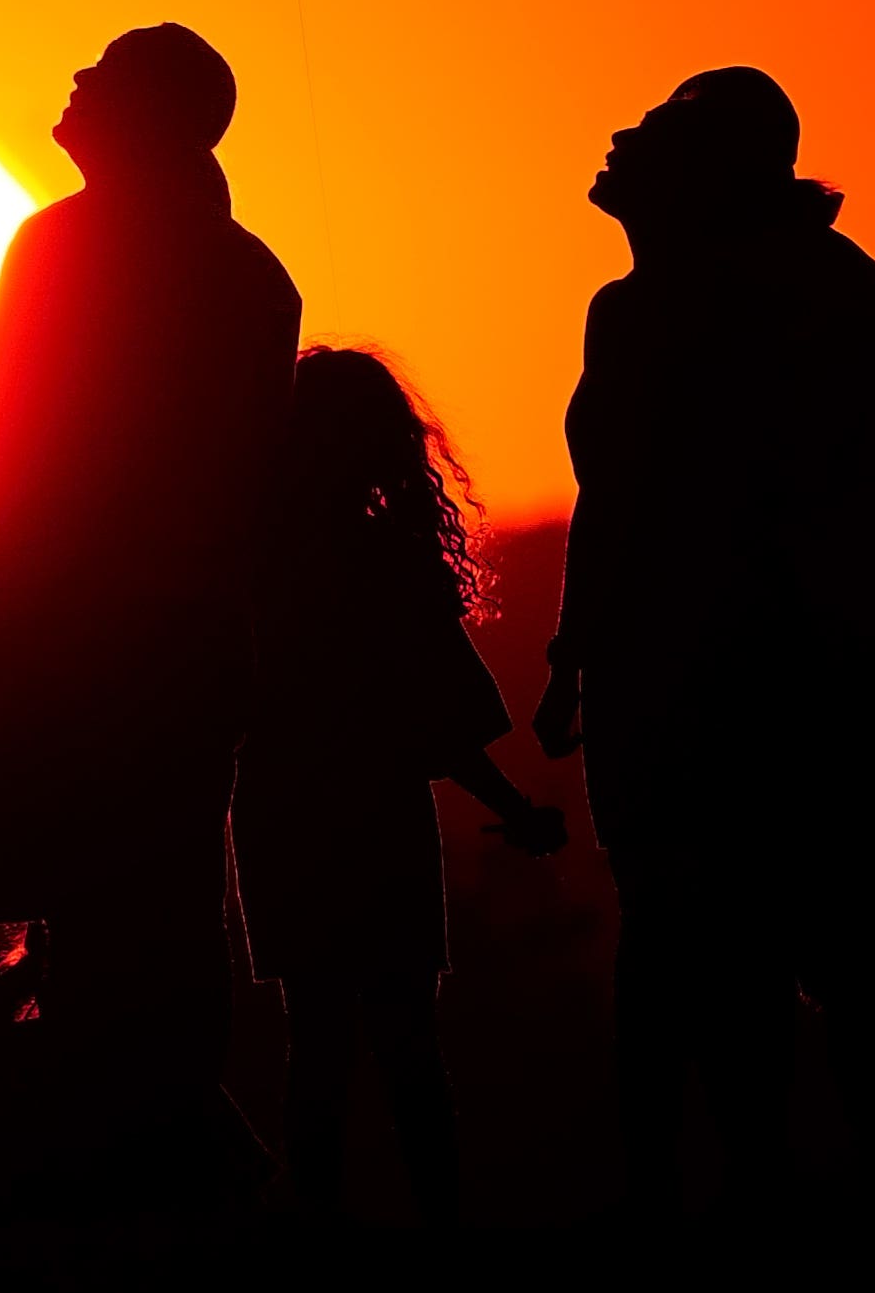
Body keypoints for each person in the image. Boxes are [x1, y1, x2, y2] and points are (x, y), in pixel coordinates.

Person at [0, 24, 298, 1166]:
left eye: (104, 76)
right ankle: (150, 1130)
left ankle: (125, 1140)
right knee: (161, 886)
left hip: (79, 627)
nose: (73, 82)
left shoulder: (62, 247)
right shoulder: (249, 272)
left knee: (89, 886)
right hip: (175, 634)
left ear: (151, 115)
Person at [530, 66, 875, 1219]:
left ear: (714, 171)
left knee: (800, 945)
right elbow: (609, 499)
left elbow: (869, 487)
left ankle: (799, 1191)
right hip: (672, 675)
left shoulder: (813, 297)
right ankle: (710, 1190)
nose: (618, 137)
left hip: (772, 680)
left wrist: (824, 651)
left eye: (656, 130)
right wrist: (573, 653)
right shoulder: (646, 304)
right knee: (691, 935)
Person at [234, 346, 566, 1224]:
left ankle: (317, 1235)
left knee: (316, 1044)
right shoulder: (390, 566)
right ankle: (442, 1230)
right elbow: (443, 725)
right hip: (379, 824)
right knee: (410, 1043)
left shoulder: (244, 573)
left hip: (279, 821)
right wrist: (516, 809)